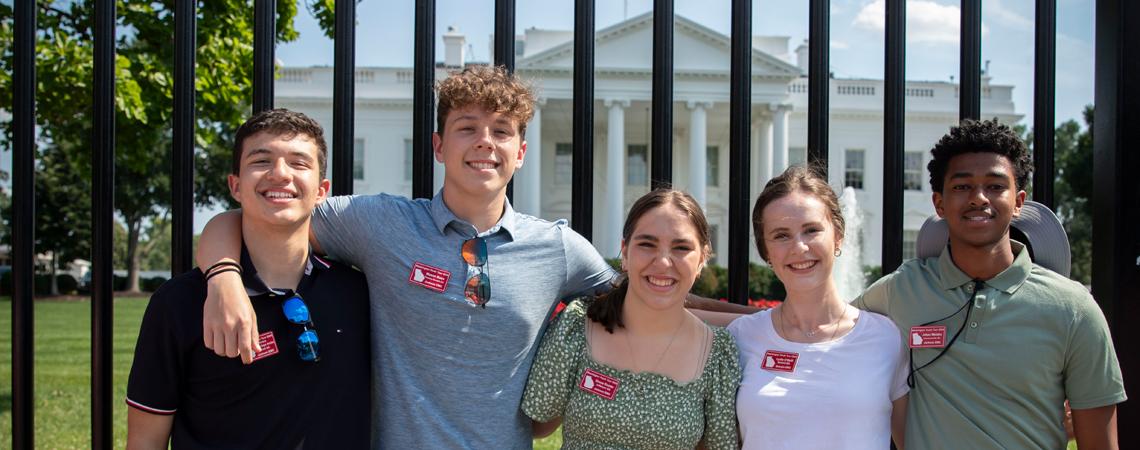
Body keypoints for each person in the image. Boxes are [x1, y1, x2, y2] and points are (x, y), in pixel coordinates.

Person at [195, 66, 753, 449]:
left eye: (501, 132)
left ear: (520, 152)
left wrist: (772, 320)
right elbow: (251, 217)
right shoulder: (381, 224)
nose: (485, 142)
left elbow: (653, 295)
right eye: (467, 128)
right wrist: (222, 279)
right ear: (439, 146)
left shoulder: (556, 248)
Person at [854, 118, 1126, 449]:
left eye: (996, 186)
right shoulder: (900, 290)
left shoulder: (1073, 309)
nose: (979, 198)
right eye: (962, 186)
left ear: (1019, 202)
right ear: (939, 203)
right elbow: (830, 336)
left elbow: (1100, 442)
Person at [125, 109, 371, 449]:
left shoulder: (358, 293)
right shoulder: (180, 302)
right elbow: (145, 441)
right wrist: (224, 278)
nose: (280, 174)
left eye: (299, 163)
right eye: (261, 161)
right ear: (235, 186)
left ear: (322, 190)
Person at [522, 189, 741, 449]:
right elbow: (536, 424)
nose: (662, 262)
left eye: (681, 248)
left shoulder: (717, 354)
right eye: (647, 244)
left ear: (702, 259)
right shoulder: (577, 327)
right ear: (625, 252)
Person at [725, 165, 908, 449]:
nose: (799, 247)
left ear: (838, 236)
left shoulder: (887, 338)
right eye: (781, 235)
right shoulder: (740, 337)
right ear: (766, 251)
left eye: (811, 230)